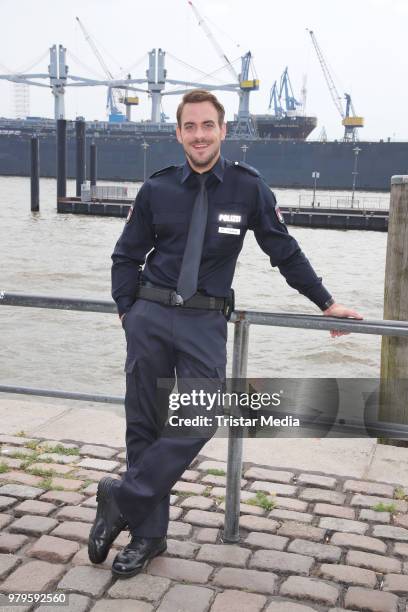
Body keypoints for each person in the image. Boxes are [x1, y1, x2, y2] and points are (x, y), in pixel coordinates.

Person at [88, 89, 362, 578]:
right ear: (178, 133)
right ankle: (147, 538)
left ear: (222, 130)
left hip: (204, 319)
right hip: (150, 315)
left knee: (199, 416)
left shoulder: (248, 188)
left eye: (207, 126)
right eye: (189, 127)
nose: (198, 135)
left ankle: (121, 499)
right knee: (144, 428)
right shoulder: (157, 189)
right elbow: (125, 254)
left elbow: (285, 251)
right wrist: (128, 310)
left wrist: (326, 302)